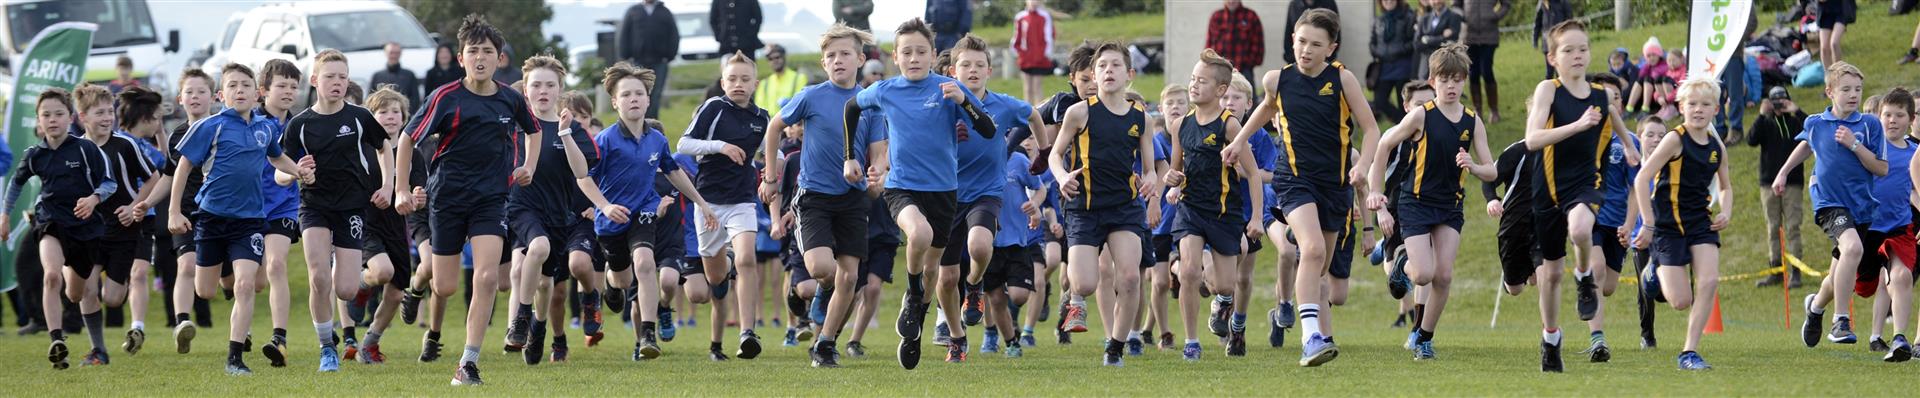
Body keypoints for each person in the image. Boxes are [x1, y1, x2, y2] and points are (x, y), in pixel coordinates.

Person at [1224, 9, 1383, 368]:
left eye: (1316, 44)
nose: (1306, 50)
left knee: (1321, 265)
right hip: (1293, 179)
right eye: (1300, 42)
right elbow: (1265, 109)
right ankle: (1310, 337)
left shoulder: (1343, 80)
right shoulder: (1276, 80)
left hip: (1335, 185)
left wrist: (1362, 165)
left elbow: (1371, 130)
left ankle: (1317, 332)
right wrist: (1240, 141)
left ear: (1331, 48)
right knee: (1309, 251)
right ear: (1292, 41)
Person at [393, 15, 546, 386]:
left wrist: (527, 166)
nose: (480, 58)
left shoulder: (511, 98)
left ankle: (468, 362)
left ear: (499, 59)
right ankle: (417, 287)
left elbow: (535, 131)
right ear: (460, 58)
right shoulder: (445, 97)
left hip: (491, 199)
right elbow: (408, 138)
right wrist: (400, 188)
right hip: (446, 198)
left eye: (488, 52)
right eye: (473, 51)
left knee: (488, 276)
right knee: (443, 287)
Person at [846, 18, 997, 369]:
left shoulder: (948, 88)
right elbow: (852, 108)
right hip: (902, 187)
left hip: (944, 192)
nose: (914, 58)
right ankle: (913, 297)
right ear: (895, 57)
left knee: (933, 269)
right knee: (920, 235)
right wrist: (849, 156)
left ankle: (914, 325)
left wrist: (965, 100)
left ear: (932, 55)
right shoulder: (885, 91)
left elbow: (988, 130)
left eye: (921, 52)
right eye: (906, 52)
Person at [168, 63, 316, 375]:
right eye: (232, 86)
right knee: (205, 291)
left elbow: (276, 156)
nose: (240, 90)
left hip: (250, 220)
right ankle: (218, 285)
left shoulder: (265, 127)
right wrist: (174, 211)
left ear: (256, 93)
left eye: (245, 85)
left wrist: (298, 171)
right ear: (221, 95)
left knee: (247, 285)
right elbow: (182, 167)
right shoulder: (211, 126)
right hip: (211, 218)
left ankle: (235, 358)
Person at [758, 24, 883, 368]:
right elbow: (774, 127)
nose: (838, 60)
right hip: (813, 197)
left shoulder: (870, 104)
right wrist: (771, 176)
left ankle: (825, 344)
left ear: (860, 59)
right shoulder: (812, 96)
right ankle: (819, 294)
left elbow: (880, 152)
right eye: (831, 56)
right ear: (824, 63)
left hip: (853, 199)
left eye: (845, 54)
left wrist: (875, 173)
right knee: (822, 269)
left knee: (850, 277)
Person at [1366, 43, 1496, 361]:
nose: (1451, 86)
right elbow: (1383, 145)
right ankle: (1402, 265)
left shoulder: (1472, 121)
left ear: (1465, 80)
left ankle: (1424, 337)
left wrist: (1472, 165)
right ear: (1432, 80)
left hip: (1450, 206)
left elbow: (1491, 170)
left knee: (1444, 276)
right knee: (1423, 274)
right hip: (1416, 203)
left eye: (1457, 79)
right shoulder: (1421, 116)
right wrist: (1375, 190)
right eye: (1444, 79)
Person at [1046, 41, 1154, 368]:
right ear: (1093, 74)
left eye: (1115, 65)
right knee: (1085, 283)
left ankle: (1116, 348)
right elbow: (1053, 154)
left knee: (1131, 278)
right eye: (1102, 66)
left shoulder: (1141, 118)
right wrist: (1062, 176)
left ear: (1129, 73)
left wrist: (1151, 180)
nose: (1109, 71)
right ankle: (1073, 298)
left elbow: (1149, 168)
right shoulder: (1079, 112)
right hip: (1084, 208)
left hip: (1124, 208)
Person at [279, 49, 385, 373]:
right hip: (314, 207)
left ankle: (349, 272)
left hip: (352, 207)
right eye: (330, 77)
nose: (337, 82)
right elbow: (278, 173)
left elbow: (385, 147)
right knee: (319, 277)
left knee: (346, 289)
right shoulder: (299, 124)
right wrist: (298, 171)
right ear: (314, 81)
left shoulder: (359, 117)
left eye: (342, 77)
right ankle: (327, 348)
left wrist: (389, 185)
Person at [3, 88, 121, 370]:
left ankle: (98, 348)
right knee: (51, 277)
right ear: (38, 120)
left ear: (70, 118)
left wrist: (93, 199)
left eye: (58, 114)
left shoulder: (86, 149)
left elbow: (109, 183)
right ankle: (57, 341)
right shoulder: (34, 154)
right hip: (49, 223)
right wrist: (4, 215)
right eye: (46, 115)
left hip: (85, 228)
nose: (52, 120)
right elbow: (16, 183)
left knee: (79, 293)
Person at [1778, 62, 1885, 352]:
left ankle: (1815, 307)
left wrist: (1854, 145)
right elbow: (1805, 145)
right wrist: (1784, 172)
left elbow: (1881, 169)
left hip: (1861, 208)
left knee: (1839, 272)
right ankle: (1841, 321)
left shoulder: (1870, 125)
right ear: (1829, 92)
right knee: (1853, 249)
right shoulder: (1816, 123)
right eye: (1846, 89)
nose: (1853, 95)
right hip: (1829, 204)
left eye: (1858, 89)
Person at [1630, 77, 1732, 371]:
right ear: (1681, 107)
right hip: (1667, 226)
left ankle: (1689, 353)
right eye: (1692, 104)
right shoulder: (1674, 139)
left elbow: (1725, 186)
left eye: (1705, 104)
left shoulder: (1717, 146)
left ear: (1716, 109)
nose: (1698, 110)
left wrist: (1725, 210)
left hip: (1701, 222)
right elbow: (1641, 178)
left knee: (1710, 281)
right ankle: (1653, 272)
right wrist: (1647, 223)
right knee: (1680, 301)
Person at [677, 51, 773, 360]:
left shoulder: (763, 118)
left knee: (748, 258)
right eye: (732, 79)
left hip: (743, 200)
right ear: (723, 82)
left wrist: (772, 171)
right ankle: (725, 263)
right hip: (708, 203)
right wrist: (721, 147)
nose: (738, 84)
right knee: (716, 278)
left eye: (745, 79)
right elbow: (684, 145)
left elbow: (764, 155)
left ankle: (747, 333)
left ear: (755, 83)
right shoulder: (714, 107)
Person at [1164, 49, 1256, 362]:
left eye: (1201, 81)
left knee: (1225, 284)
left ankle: (1221, 301)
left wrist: (1256, 218)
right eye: (1192, 79)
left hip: (1224, 214)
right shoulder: (1180, 126)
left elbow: (1253, 174)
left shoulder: (1230, 127)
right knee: (1188, 272)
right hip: (1191, 210)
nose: (1193, 85)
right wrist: (1171, 180)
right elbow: (1175, 171)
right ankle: (1191, 342)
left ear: (1219, 90)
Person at [70, 84, 157, 366]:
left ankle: (133, 314)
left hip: (124, 229)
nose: (107, 118)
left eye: (110, 112)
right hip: (93, 230)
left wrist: (134, 208)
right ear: (83, 116)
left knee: (113, 298)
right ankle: (99, 351)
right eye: (100, 113)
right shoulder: (77, 150)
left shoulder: (125, 144)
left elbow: (153, 179)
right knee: (87, 289)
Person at [253, 58, 304, 370]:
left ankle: (279, 340)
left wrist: (301, 173)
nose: (288, 91)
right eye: (281, 85)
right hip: (246, 208)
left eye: (293, 86)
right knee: (250, 283)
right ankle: (241, 328)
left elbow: (289, 170)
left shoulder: (299, 126)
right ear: (264, 90)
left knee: (275, 264)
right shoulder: (249, 122)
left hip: (284, 206)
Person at [1866, 88, 1917, 361]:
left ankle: (1899, 339)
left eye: (1900, 115)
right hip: (1864, 229)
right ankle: (1817, 306)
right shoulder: (1869, 148)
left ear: (1910, 120)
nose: (1893, 120)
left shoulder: (1916, 153)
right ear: (1878, 117)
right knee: (1849, 282)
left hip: (1898, 229)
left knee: (1901, 277)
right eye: (1887, 114)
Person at [1750, 86, 1809, 288]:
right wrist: (1760, 115)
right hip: (1768, 182)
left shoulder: (1795, 123)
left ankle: (1796, 271)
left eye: (1783, 100)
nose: (1779, 104)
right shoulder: (1765, 123)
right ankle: (1775, 269)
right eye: (1775, 101)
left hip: (1793, 182)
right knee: (1773, 227)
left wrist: (1797, 110)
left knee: (1793, 227)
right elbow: (1751, 140)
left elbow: (1814, 131)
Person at [619, 0, 679, 119]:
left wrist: (670, 55)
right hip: (638, 61)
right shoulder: (633, 11)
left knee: (654, 95)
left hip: (659, 61)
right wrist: (626, 55)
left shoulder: (665, 12)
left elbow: (674, 35)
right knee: (637, 92)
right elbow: (624, 35)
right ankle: (637, 122)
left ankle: (652, 124)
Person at [1461, 0, 1511, 123]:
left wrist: (1495, 16)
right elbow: (1456, 6)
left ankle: (1494, 110)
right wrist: (1464, 17)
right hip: (1469, 37)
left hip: (1489, 37)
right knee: (1473, 73)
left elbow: (1506, 4)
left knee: (1486, 71)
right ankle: (1477, 110)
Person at [1371, 0, 1417, 121]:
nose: (1388, 1)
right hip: (1384, 67)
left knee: (1404, 103)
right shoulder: (1379, 20)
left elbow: (1413, 42)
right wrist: (1377, 51)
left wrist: (1399, 50)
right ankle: (1402, 124)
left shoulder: (1408, 16)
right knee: (1379, 101)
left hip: (1403, 67)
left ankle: (1406, 132)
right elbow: (1373, 42)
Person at [1206, 0, 1265, 87]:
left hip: (1244, 71)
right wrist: (1210, 62)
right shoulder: (1216, 17)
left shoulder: (1251, 16)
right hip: (1219, 70)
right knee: (1218, 99)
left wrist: (1248, 63)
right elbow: (1209, 45)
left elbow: (1258, 45)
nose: (1231, 1)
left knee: (1247, 98)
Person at [1012, 0, 1055, 105]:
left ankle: (1039, 113)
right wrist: (1016, 51)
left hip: (1039, 57)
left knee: (1037, 87)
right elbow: (1017, 35)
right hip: (1025, 57)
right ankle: (1027, 115)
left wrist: (1046, 53)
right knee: (1027, 88)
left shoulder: (1044, 16)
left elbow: (1049, 35)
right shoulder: (1020, 17)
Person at [1414, 0, 1462, 80]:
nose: (1436, 1)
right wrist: (1442, 37)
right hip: (1425, 69)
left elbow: (1450, 43)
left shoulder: (1454, 17)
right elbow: (1417, 44)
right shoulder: (1424, 19)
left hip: (1444, 67)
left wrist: (1427, 39)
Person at [1282, 0, 1339, 66]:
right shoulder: (1294, 4)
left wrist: (1327, 63)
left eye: (1316, 44)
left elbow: (1336, 35)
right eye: (1302, 41)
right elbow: (1288, 33)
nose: (1307, 50)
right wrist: (1292, 61)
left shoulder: (1329, 3)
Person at [754, 44, 807, 113]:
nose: (774, 61)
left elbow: (801, 104)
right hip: (769, 122)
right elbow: (759, 107)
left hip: (791, 122)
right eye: (770, 59)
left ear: (784, 57)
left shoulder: (799, 78)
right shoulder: (764, 83)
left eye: (777, 57)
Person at [1531, 0, 1572, 79]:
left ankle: (1562, 89)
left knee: (1560, 70)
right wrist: (1535, 39)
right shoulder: (1542, 3)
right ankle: (1549, 89)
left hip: (1561, 41)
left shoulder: (1563, 2)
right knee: (1549, 71)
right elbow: (1537, 22)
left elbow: (1569, 21)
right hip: (1547, 42)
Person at [1816, 0, 1855, 69]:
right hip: (1825, 12)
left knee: (1834, 43)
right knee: (1824, 48)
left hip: (1841, 10)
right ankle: (1828, 76)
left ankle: (1838, 73)